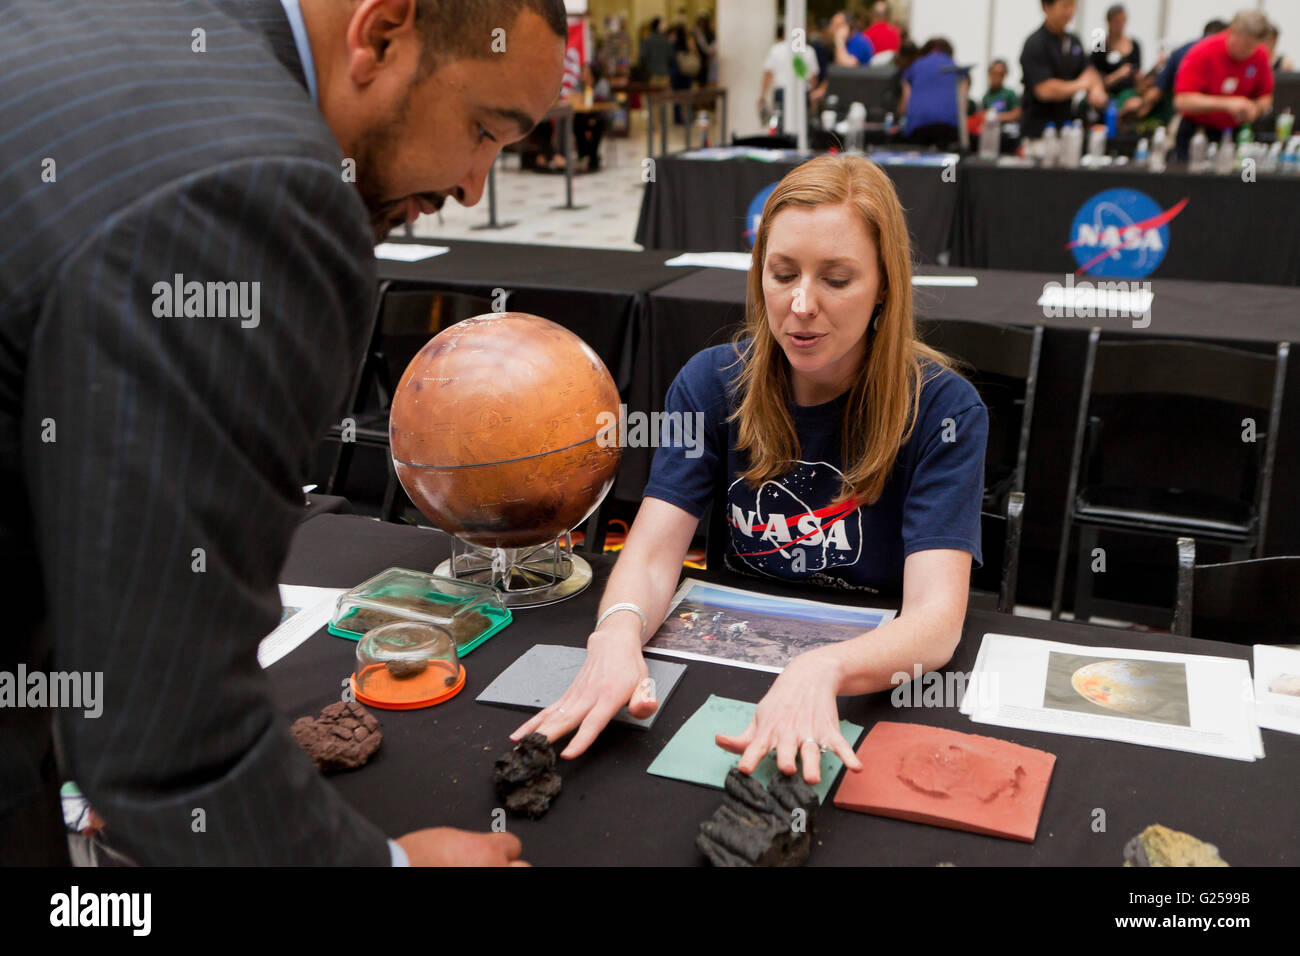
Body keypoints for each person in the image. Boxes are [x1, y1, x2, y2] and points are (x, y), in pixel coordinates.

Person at [0, 0, 566, 866]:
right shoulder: (259, 190)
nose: (472, 187)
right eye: (484, 129)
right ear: (381, 34)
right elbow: (171, 748)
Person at [512, 155, 987, 783]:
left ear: (885, 289)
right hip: (731, 654)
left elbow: (934, 623)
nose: (801, 305)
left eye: (838, 280)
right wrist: (616, 635)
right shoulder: (711, 382)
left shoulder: (943, 409)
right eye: (782, 273)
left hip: (870, 671)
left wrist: (823, 667)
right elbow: (654, 556)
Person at [1173, 10, 1274, 160]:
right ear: (1233, 32)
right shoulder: (1203, 51)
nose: (1249, 51)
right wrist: (1226, 104)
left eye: (1254, 46)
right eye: (1246, 45)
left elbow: (1265, 96)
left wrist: (1256, 108)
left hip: (1233, 134)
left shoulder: (1259, 55)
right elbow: (1182, 101)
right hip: (1197, 133)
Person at [1019, 0, 1109, 139]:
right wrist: (1081, 85)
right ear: (1046, 7)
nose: (1070, 12)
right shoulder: (1035, 43)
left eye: (1073, 5)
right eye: (1065, 6)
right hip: (1037, 132)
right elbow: (1044, 89)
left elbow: (1088, 71)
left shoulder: (1074, 40)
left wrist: (1097, 88)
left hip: (1066, 128)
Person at [1123, 19, 1228, 125]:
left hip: (1185, 113)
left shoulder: (1181, 50)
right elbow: (1157, 90)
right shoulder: (1204, 52)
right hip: (1189, 113)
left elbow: (1157, 90)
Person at [899, 38, 966, 147]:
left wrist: (898, 117)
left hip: (919, 126)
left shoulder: (915, 66)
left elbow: (905, 101)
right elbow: (963, 105)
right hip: (949, 127)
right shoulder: (956, 67)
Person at [760, 24, 820, 127]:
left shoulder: (777, 49)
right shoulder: (809, 51)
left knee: (781, 122)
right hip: (801, 92)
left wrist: (762, 95)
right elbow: (813, 77)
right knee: (801, 122)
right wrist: (812, 95)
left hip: (783, 92)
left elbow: (768, 74)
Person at [1090, 4, 1141, 98]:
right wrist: (1119, 75)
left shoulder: (1135, 45)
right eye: (1117, 21)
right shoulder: (1100, 47)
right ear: (1109, 22)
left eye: (1123, 20)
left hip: (1129, 93)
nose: (1120, 24)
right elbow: (1095, 79)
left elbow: (1138, 73)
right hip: (1107, 94)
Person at [982, 59, 1022, 123]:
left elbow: (1017, 113)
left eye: (1000, 74)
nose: (996, 77)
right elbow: (982, 116)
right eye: (994, 73)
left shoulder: (1010, 94)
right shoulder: (986, 97)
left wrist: (997, 117)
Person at [639, 16, 674, 85]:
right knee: (664, 94)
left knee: (653, 94)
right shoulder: (666, 40)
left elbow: (642, 57)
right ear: (658, 26)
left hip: (651, 74)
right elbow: (671, 56)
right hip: (664, 73)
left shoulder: (647, 40)